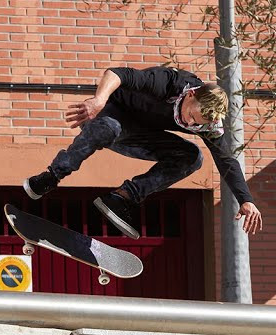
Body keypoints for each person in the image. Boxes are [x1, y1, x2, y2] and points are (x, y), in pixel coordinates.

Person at [23, 66, 263, 240]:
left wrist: (246, 200)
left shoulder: (208, 124)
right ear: (191, 95)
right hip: (108, 116)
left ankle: (121, 198)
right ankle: (51, 176)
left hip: (142, 136)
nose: (191, 125)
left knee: (192, 157)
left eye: (197, 125)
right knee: (110, 127)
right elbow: (117, 74)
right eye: (191, 117)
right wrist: (98, 100)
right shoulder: (168, 82)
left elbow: (226, 161)